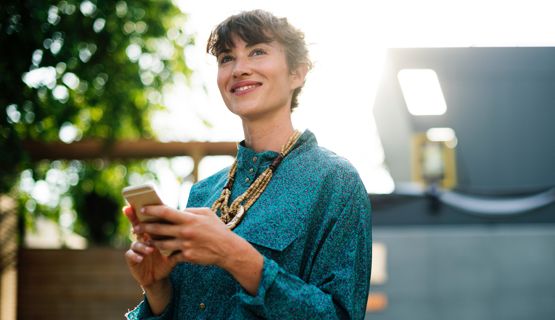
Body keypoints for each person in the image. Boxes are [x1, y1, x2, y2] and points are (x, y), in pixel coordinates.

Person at [124, 9, 372, 319]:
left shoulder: (336, 182)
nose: (239, 69)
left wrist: (232, 254)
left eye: (257, 52)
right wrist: (157, 289)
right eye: (227, 58)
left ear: (297, 73)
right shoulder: (202, 193)